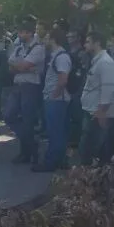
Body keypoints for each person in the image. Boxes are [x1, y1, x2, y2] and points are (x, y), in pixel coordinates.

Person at [5, 17, 45, 165]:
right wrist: (23, 68)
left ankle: (26, 153)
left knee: (28, 120)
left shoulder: (38, 48)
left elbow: (21, 66)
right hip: (18, 85)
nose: (20, 35)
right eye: (19, 32)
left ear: (30, 33)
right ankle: (30, 143)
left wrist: (22, 67)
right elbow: (10, 64)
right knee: (9, 115)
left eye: (23, 33)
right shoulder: (19, 47)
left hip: (31, 86)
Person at [78, 31, 114, 166]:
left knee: (95, 150)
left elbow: (108, 89)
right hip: (91, 111)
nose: (85, 45)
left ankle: (94, 179)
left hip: (98, 114)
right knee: (87, 148)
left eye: (88, 42)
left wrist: (101, 112)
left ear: (97, 43)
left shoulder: (105, 62)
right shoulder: (96, 61)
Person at [37, 27, 70, 172]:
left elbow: (63, 79)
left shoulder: (61, 56)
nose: (45, 40)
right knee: (58, 132)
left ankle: (50, 162)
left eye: (47, 37)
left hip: (56, 100)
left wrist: (54, 95)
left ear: (53, 39)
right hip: (54, 99)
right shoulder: (55, 55)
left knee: (55, 132)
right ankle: (61, 160)